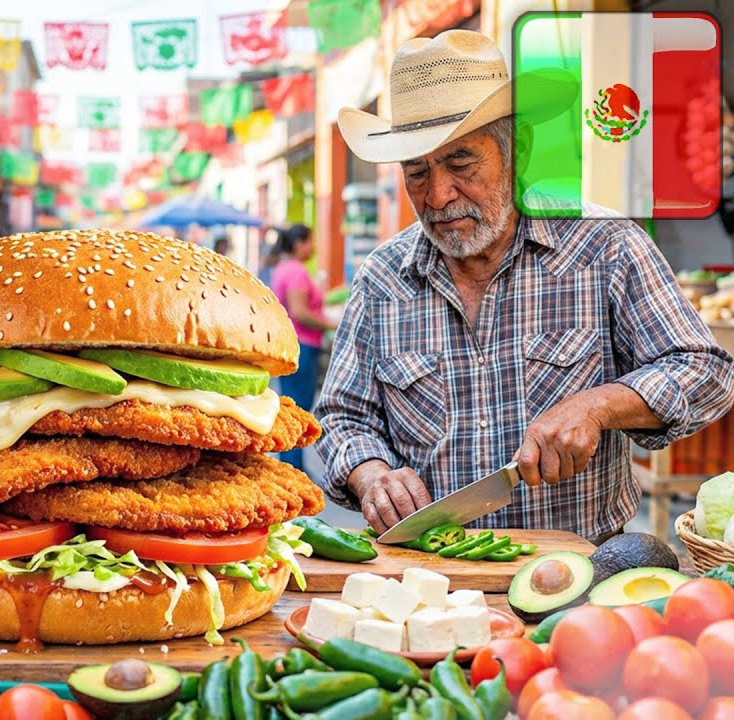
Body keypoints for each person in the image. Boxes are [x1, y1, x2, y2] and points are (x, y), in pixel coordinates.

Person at [315, 30, 734, 542]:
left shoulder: (604, 246)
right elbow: (341, 416)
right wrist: (372, 475)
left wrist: (598, 405)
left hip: (582, 572)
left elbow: (704, 371)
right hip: (429, 579)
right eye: (417, 172)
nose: (439, 195)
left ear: (520, 150)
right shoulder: (383, 278)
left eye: (462, 163)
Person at [270, 224, 335, 472]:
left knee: (291, 406)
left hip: (292, 344)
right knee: (297, 408)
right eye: (310, 241)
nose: (313, 247)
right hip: (303, 345)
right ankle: (293, 468)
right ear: (299, 244)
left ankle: (291, 465)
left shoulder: (282, 267)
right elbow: (300, 311)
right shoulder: (296, 271)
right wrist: (331, 323)